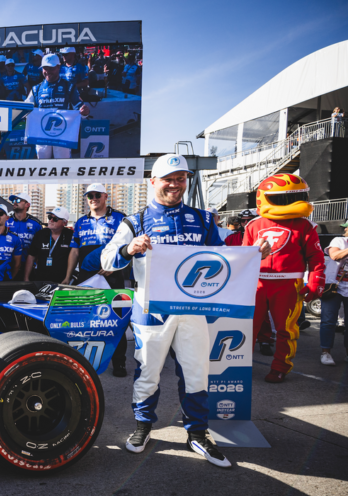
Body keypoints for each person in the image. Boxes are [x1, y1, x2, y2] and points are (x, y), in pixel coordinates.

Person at [101, 154, 270, 468]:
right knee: (148, 373)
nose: (175, 184)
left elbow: (223, 260)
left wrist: (253, 254)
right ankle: (143, 428)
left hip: (193, 308)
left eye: (181, 178)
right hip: (151, 310)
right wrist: (130, 248)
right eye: (169, 178)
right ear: (153, 182)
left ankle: (197, 434)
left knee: (196, 373)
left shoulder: (204, 219)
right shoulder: (134, 221)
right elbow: (107, 261)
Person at [243, 173, 325, 383]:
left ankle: (281, 366)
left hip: (289, 284)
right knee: (246, 326)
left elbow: (315, 256)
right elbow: (242, 255)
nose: (291, 203)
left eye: (296, 198)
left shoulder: (306, 226)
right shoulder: (253, 225)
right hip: (256, 283)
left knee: (286, 329)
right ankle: (239, 365)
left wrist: (316, 281)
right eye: (283, 198)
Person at [66, 183, 129, 377]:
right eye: (89, 195)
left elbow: (128, 247)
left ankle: (119, 362)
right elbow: (74, 251)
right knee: (86, 319)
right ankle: (86, 359)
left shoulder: (120, 218)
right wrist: (68, 277)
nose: (93, 198)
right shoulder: (80, 222)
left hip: (112, 275)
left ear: (105, 196)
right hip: (86, 276)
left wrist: (114, 265)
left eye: (96, 195)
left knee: (116, 319)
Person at [25, 53, 91, 159]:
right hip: (42, 135)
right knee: (43, 165)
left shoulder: (69, 86)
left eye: (51, 68)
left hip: (63, 136)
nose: (48, 71)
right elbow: (25, 107)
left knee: (62, 165)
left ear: (58, 67)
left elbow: (79, 107)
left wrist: (84, 112)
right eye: (45, 68)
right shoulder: (36, 89)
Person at [320, 217, 348, 365]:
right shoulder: (339, 241)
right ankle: (326, 353)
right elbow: (334, 256)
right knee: (328, 321)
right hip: (334, 287)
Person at [24, 206, 73, 282]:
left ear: (64, 222)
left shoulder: (70, 235)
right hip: (40, 280)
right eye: (50, 217)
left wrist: (68, 277)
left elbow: (75, 257)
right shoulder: (40, 234)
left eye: (55, 219)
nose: (51, 220)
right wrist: (26, 278)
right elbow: (31, 256)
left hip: (62, 281)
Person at [5, 193, 42, 278]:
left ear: (27, 204)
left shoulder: (36, 224)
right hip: (8, 266)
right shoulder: (6, 221)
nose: (14, 202)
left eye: (18, 200)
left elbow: (39, 248)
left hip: (28, 267)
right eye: (14, 200)